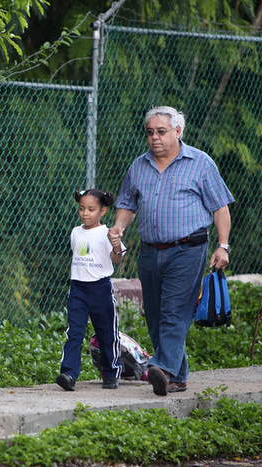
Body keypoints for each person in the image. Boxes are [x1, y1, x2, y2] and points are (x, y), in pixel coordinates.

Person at [108, 106, 233, 396]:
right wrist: (119, 228)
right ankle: (176, 378)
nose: (154, 138)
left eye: (161, 132)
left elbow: (220, 208)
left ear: (178, 131)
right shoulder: (138, 166)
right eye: (150, 132)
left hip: (188, 249)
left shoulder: (200, 163)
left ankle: (161, 366)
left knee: (175, 310)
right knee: (154, 312)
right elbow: (127, 204)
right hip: (151, 250)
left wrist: (222, 245)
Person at [56, 189, 125, 391]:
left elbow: (117, 258)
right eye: (82, 209)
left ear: (102, 211)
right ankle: (68, 374)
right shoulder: (76, 232)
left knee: (107, 332)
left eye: (91, 209)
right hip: (78, 288)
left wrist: (116, 245)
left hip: (100, 288)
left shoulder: (107, 233)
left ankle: (111, 373)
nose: (85, 213)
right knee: (74, 332)